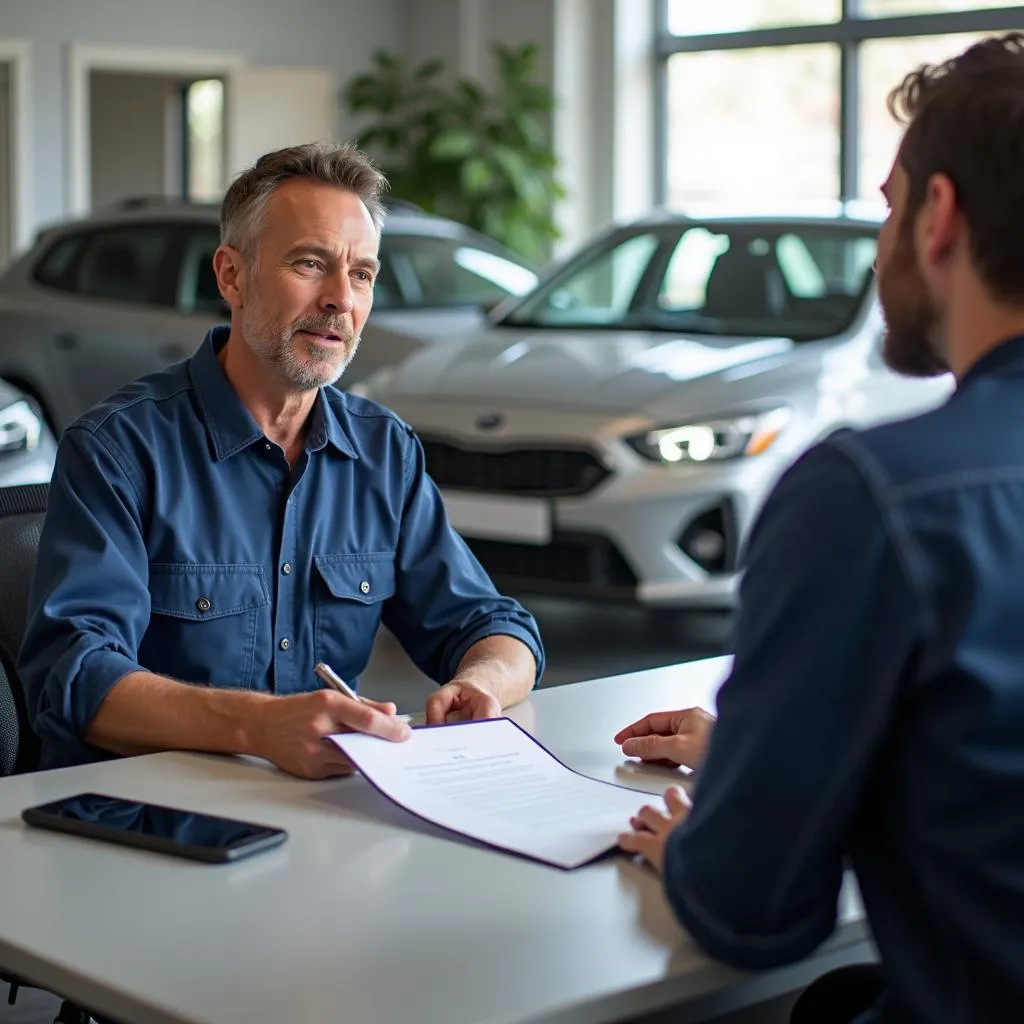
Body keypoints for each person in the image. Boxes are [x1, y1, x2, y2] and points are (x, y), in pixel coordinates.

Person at [617, 33, 1024, 1024]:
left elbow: (753, 912)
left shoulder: (873, 497)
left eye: (888, 206)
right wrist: (772, 748)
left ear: (937, 217)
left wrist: (708, 841)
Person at [17, 142, 543, 778]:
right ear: (231, 276)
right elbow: (73, 677)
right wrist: (259, 726)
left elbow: (491, 623)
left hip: (317, 812)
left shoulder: (383, 452)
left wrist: (485, 680)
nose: (340, 300)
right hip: (147, 818)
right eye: (310, 263)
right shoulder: (118, 449)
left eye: (362, 275)